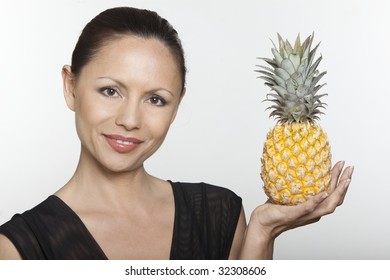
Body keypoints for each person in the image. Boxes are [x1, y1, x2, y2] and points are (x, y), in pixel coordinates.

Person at [0, 7, 353, 260]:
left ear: (177, 105)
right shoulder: (17, 248)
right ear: (71, 87)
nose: (130, 119)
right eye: (110, 91)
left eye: (156, 99)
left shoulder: (221, 214)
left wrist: (263, 231)